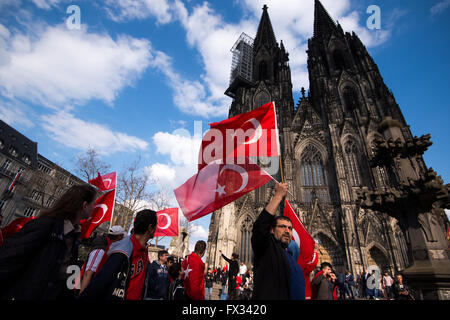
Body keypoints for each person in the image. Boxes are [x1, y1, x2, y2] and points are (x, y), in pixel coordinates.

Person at [0, 184, 97, 300]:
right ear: (85, 205)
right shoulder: (45, 226)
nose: (94, 207)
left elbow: (70, 277)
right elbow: (7, 260)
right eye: (93, 204)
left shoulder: (75, 237)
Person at [79, 209, 157, 300]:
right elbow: (100, 281)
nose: (156, 229)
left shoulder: (144, 251)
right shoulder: (122, 249)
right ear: (150, 228)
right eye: (156, 226)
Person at [251, 182, 305, 300]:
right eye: (282, 227)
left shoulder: (291, 256)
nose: (287, 231)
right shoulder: (267, 250)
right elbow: (260, 228)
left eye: (290, 228)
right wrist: (278, 196)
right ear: (272, 230)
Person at [79, 225, 126, 293]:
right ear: (119, 236)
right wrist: (82, 294)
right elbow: (88, 274)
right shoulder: (100, 250)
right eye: (123, 238)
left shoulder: (109, 248)